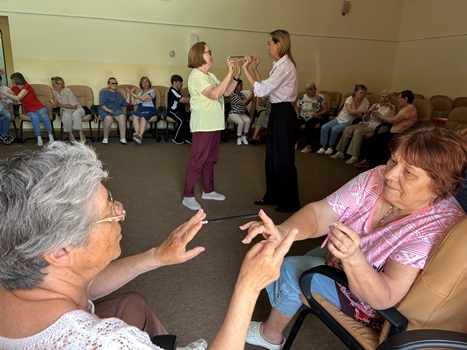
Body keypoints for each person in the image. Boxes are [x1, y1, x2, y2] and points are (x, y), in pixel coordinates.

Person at [0, 142, 298, 350]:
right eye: (109, 211)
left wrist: (156, 256)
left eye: (112, 199)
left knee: (131, 303)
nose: (121, 211)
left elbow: (82, 286)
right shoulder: (106, 342)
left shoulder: (26, 267)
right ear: (60, 250)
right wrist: (248, 287)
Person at [239, 124, 467, 350]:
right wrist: (284, 230)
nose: (389, 174)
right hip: (348, 259)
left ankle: (270, 335)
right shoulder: (376, 177)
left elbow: (385, 297)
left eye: (408, 173)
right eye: (393, 161)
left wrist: (353, 259)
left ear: (439, 187)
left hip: (374, 302)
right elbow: (320, 214)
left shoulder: (433, 228)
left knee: (291, 268)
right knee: (310, 256)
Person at [242, 29, 300, 213]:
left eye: (269, 43)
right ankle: (273, 195)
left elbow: (260, 90)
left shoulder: (285, 67)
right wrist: (255, 69)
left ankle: (290, 201)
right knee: (272, 158)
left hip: (284, 113)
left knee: (283, 159)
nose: (267, 46)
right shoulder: (278, 65)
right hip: (277, 112)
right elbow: (267, 88)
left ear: (279, 44)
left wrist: (245, 69)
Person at [182, 42, 238, 211]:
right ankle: (188, 195)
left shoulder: (210, 75)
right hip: (203, 125)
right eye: (208, 52)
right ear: (199, 55)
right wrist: (229, 72)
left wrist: (235, 75)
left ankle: (208, 190)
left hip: (214, 125)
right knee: (198, 160)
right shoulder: (196, 75)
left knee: (210, 160)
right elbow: (214, 94)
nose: (211, 55)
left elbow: (226, 92)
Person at [355, 90, 418, 168]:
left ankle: (372, 164)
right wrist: (391, 108)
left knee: (376, 141)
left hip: (399, 133)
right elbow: (393, 118)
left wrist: (379, 115)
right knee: (372, 140)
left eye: (400, 98)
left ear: (406, 99)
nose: (398, 100)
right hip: (393, 131)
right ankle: (368, 161)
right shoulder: (404, 108)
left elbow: (393, 120)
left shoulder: (410, 108)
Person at [331, 90, 395, 164]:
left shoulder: (391, 107)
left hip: (376, 126)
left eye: (386, 97)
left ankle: (354, 156)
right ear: (380, 97)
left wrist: (379, 115)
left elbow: (391, 121)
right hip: (366, 123)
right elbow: (365, 119)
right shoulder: (375, 105)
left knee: (358, 131)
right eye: (382, 96)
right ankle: (340, 152)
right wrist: (369, 113)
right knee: (348, 129)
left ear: (390, 99)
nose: (384, 98)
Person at [0, 72, 54, 146]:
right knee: (34, 117)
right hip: (29, 110)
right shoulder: (14, 88)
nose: (11, 82)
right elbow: (3, 96)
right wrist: (2, 92)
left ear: (16, 80)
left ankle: (50, 135)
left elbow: (18, 97)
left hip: (39, 107)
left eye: (12, 80)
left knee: (44, 116)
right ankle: (39, 137)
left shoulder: (27, 86)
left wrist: (3, 92)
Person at [317, 84, 369, 155]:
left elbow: (363, 115)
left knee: (335, 129)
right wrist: (361, 111)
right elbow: (350, 111)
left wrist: (359, 113)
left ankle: (331, 147)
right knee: (324, 127)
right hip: (339, 118)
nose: (362, 95)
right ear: (355, 92)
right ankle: (323, 147)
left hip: (349, 122)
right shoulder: (349, 99)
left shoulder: (366, 101)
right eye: (361, 92)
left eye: (364, 93)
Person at [50, 76, 86, 143]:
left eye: (54, 84)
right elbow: (57, 103)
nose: (53, 86)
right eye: (52, 84)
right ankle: (70, 135)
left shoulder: (67, 91)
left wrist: (60, 105)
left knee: (75, 114)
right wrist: (54, 105)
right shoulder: (54, 92)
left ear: (60, 84)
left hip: (77, 108)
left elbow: (74, 106)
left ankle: (81, 135)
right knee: (66, 116)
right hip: (66, 110)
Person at [295, 82, 329, 153]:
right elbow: (297, 108)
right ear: (307, 91)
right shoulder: (302, 97)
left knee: (309, 125)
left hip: (314, 116)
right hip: (303, 115)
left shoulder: (320, 97)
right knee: (294, 122)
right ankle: (295, 141)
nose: (313, 90)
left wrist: (318, 113)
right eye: (311, 89)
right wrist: (297, 114)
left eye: (314, 89)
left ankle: (308, 146)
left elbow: (326, 110)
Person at [98, 77, 130, 145]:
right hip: (105, 110)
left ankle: (123, 138)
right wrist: (108, 110)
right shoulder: (105, 92)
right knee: (109, 118)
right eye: (112, 83)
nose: (115, 84)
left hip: (116, 111)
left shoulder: (118, 94)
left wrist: (128, 93)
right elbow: (102, 104)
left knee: (122, 117)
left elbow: (125, 103)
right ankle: (105, 138)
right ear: (109, 85)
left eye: (116, 83)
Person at [128, 76, 158, 144]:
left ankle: (140, 136)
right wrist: (132, 93)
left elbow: (143, 99)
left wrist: (133, 94)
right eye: (143, 82)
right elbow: (134, 103)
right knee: (134, 116)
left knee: (143, 118)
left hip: (150, 110)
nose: (145, 83)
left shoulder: (152, 91)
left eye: (146, 82)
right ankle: (137, 135)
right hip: (140, 110)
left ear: (149, 83)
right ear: (141, 85)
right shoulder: (140, 93)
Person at [228, 74, 254, 146]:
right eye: (240, 85)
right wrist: (251, 95)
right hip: (234, 113)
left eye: (242, 85)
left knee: (248, 120)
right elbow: (243, 103)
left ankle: (244, 137)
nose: (242, 87)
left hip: (241, 113)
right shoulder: (233, 95)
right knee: (241, 122)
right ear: (236, 86)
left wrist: (251, 97)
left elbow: (246, 103)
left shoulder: (242, 94)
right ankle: (238, 138)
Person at [167, 74, 192, 145]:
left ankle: (188, 138)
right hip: (172, 111)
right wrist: (193, 94)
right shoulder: (172, 91)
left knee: (192, 117)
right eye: (180, 82)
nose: (182, 84)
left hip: (179, 111)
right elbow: (185, 101)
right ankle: (175, 138)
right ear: (175, 82)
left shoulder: (178, 91)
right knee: (182, 121)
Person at [0, 75, 14, 145]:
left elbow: (8, 107)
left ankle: (4, 134)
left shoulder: (7, 90)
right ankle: (3, 135)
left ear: (0, 81)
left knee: (7, 115)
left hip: (3, 109)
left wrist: (0, 100)